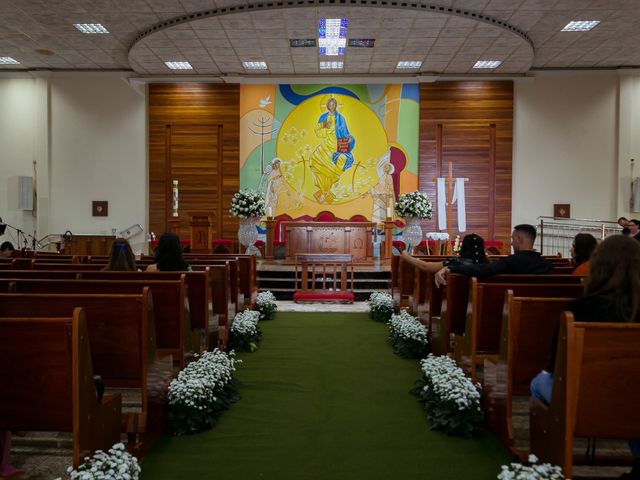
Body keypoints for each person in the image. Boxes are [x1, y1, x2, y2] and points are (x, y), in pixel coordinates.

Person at [530, 234, 640, 479]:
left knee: (538, 384)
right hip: (635, 402)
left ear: (598, 266)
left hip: (582, 402)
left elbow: (553, 369)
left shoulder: (578, 309)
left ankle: (547, 462)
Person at [434, 224, 554, 287]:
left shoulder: (512, 262)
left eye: (513, 239)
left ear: (520, 239)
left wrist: (451, 268)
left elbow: (483, 269)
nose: (511, 243)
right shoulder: (547, 266)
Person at [309, 97, 355, 204]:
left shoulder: (341, 118)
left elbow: (346, 133)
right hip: (327, 144)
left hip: (338, 144)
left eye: (333, 104)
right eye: (330, 104)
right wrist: (324, 125)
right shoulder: (323, 117)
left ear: (336, 105)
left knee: (335, 164)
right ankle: (325, 191)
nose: (332, 106)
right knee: (315, 160)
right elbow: (317, 132)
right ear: (327, 105)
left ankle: (325, 191)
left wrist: (350, 139)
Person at [370, 155, 396, 226]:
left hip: (387, 196)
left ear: (389, 168)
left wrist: (388, 193)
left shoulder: (389, 177)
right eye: (384, 167)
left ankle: (387, 226)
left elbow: (390, 186)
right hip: (380, 195)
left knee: (387, 212)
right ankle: (378, 225)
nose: (385, 168)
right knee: (378, 210)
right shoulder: (381, 177)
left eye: (387, 167)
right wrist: (372, 188)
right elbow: (379, 186)